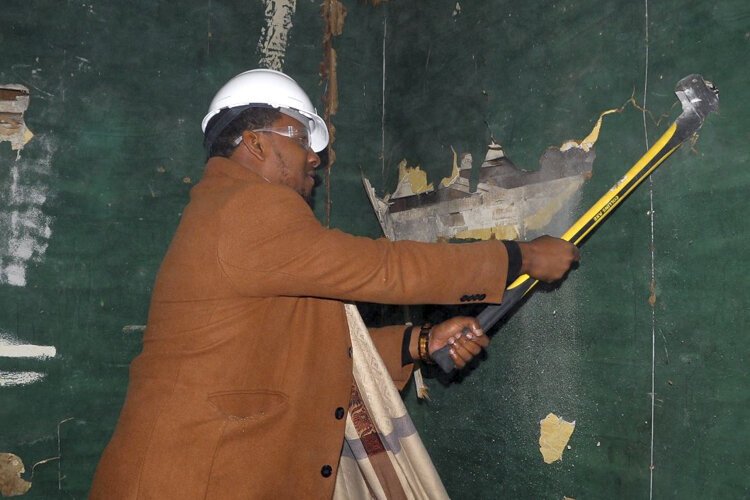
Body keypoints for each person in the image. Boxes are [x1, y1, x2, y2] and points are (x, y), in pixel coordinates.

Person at [90, 69, 579, 499]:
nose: (314, 158)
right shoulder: (249, 207)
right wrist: (520, 255)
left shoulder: (234, 219)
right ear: (255, 142)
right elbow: (381, 269)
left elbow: (303, 348)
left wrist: (420, 342)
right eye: (300, 137)